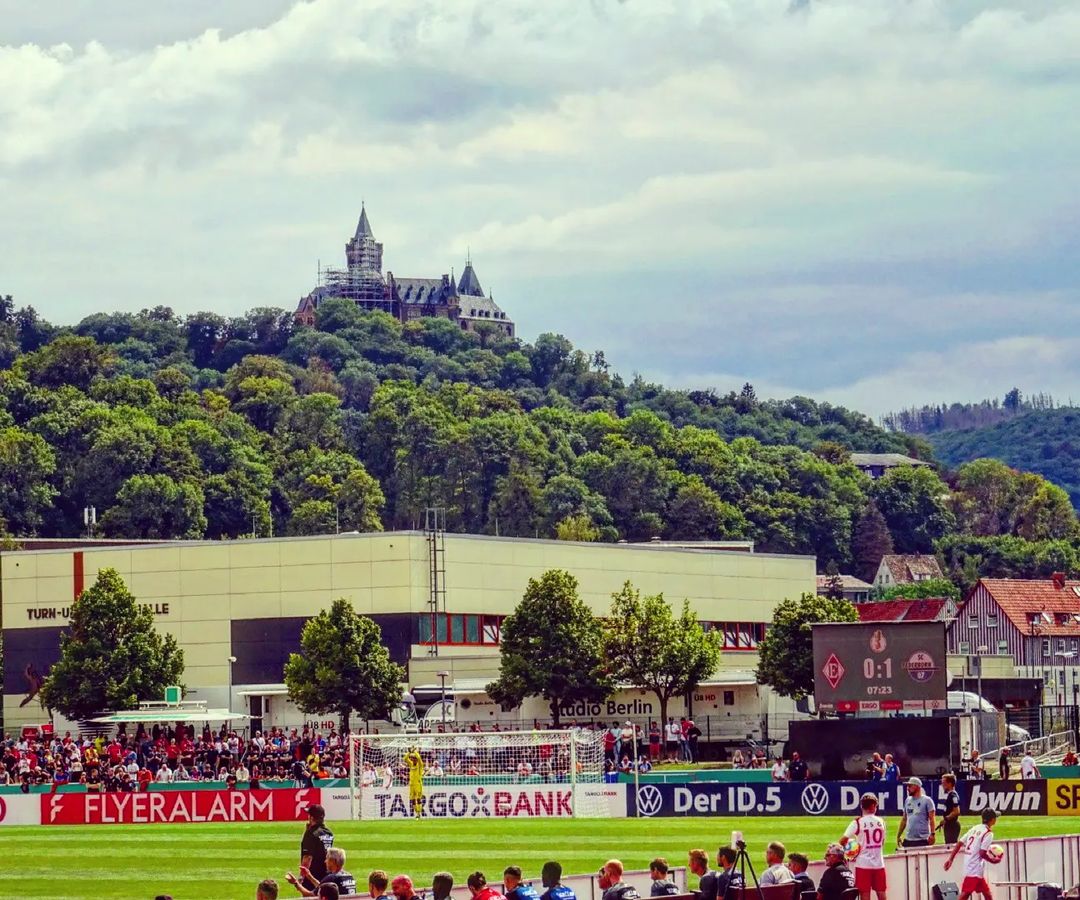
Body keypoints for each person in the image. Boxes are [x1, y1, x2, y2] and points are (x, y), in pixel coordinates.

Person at [944, 809, 1000, 900]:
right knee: (965, 894)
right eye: (995, 818)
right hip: (975, 869)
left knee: (987, 894)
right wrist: (992, 860)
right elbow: (982, 853)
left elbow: (959, 843)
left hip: (970, 866)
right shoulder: (988, 833)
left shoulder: (975, 828)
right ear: (992, 820)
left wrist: (951, 859)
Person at [841, 792, 886, 900]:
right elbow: (882, 842)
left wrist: (852, 851)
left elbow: (842, 841)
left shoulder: (857, 822)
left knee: (864, 895)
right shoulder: (881, 821)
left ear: (861, 806)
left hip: (863, 864)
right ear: (874, 806)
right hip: (879, 864)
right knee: (882, 894)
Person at [288, 848, 357, 898]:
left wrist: (295, 883)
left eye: (327, 858)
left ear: (333, 861)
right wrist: (309, 876)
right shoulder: (349, 876)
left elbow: (311, 895)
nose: (325, 861)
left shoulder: (332, 878)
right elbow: (323, 888)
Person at [299, 804, 335, 887]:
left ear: (311, 818)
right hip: (326, 875)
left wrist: (301, 876)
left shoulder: (311, 833)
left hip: (312, 876)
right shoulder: (329, 833)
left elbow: (307, 857)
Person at [896, 777, 935, 849]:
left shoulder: (927, 800)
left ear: (916, 786)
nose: (908, 788)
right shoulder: (907, 800)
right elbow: (904, 819)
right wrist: (899, 835)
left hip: (923, 839)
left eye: (910, 786)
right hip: (909, 839)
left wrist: (932, 834)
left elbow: (932, 819)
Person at [939, 773, 962, 845]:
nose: (942, 785)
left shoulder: (953, 795)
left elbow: (956, 811)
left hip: (952, 825)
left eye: (944, 783)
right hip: (949, 825)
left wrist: (945, 819)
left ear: (950, 783)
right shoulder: (950, 795)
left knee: (950, 845)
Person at [404, 746, 425, 817]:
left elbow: (419, 758)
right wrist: (409, 752)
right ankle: (417, 813)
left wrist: (414, 751)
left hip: (418, 784)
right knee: (412, 800)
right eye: (412, 759)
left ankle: (419, 812)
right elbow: (405, 759)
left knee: (418, 799)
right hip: (411, 784)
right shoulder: (411, 764)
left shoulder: (420, 765)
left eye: (414, 759)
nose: (413, 760)